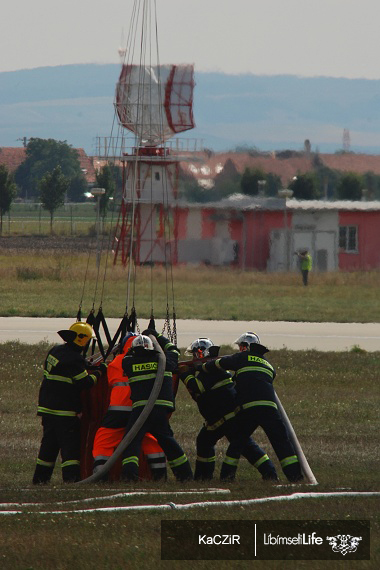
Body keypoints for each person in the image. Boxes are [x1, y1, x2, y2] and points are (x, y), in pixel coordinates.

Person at [200, 332, 304, 483]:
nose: (240, 349)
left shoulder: (241, 357)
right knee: (282, 442)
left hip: (248, 408)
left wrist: (203, 366)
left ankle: (227, 477)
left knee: (237, 443)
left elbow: (219, 364)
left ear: (247, 347)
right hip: (269, 408)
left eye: (241, 346)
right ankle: (295, 477)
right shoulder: (268, 365)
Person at [179, 338, 278, 481]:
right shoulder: (212, 368)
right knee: (209, 441)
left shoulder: (209, 371)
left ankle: (269, 473)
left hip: (226, 418)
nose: (194, 358)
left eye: (195, 354)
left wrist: (185, 374)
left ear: (200, 353)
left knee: (242, 446)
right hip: (220, 418)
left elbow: (197, 387)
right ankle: (203, 477)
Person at [32, 322, 107, 484]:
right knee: (70, 448)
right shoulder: (74, 359)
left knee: (48, 446)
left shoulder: (56, 350)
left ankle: (40, 479)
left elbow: (64, 369)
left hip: (47, 408)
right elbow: (85, 382)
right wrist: (100, 372)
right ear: (82, 340)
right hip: (64, 412)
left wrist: (84, 364)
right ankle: (71, 480)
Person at [120, 330, 193, 482]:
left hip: (141, 411)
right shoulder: (165, 360)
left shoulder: (129, 362)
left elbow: (125, 355)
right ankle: (185, 475)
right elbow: (173, 349)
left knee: (131, 441)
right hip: (161, 410)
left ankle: (129, 476)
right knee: (168, 442)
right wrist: (157, 336)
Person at [92, 332, 167, 480]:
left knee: (104, 439)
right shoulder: (154, 359)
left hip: (118, 410)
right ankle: (160, 474)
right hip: (141, 408)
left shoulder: (116, 362)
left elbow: (110, 382)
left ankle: (101, 474)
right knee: (148, 438)